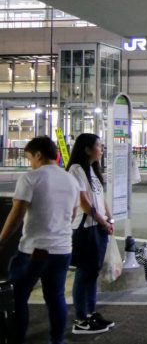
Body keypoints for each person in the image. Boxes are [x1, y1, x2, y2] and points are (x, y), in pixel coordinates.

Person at [0, 136, 80, 344]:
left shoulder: (31, 178)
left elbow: (17, 214)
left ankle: (17, 340)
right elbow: (72, 214)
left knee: (18, 298)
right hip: (63, 249)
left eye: (29, 158)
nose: (30, 163)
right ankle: (57, 340)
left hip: (34, 250)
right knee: (55, 298)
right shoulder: (70, 179)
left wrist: (1, 240)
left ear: (38, 154)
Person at [66, 133, 115, 334]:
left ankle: (91, 313)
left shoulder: (92, 170)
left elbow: (100, 199)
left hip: (98, 227)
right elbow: (84, 203)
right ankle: (80, 319)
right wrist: (104, 222)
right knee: (84, 272)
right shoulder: (76, 170)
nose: (102, 149)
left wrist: (109, 220)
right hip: (86, 228)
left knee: (92, 273)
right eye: (99, 146)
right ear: (87, 149)